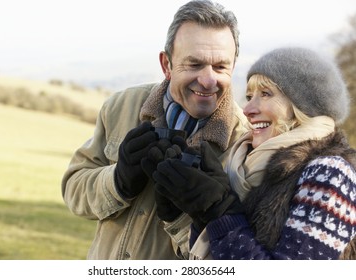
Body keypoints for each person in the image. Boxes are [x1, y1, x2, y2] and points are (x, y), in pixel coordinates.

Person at [61, 0, 248, 260]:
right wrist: (118, 181)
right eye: (194, 65)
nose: (208, 80)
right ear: (166, 65)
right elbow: (73, 189)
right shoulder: (121, 105)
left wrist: (184, 218)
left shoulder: (247, 142)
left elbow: (236, 257)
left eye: (220, 67)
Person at [153, 47, 356, 260]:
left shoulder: (331, 174)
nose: (248, 109)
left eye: (265, 94)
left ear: (303, 106)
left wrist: (222, 214)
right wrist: (192, 214)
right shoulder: (246, 169)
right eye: (249, 96)